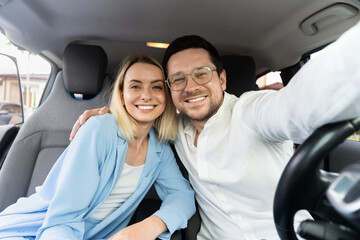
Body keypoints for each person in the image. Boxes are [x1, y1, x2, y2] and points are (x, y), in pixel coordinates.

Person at [70, 20, 360, 240]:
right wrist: (107, 115)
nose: (191, 87)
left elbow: (299, 105)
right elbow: (139, 111)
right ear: (171, 91)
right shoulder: (174, 129)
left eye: (201, 74)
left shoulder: (252, 112)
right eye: (178, 80)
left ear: (222, 79)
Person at [0, 55, 195, 240]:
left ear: (166, 95)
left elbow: (182, 196)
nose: (146, 95)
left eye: (156, 87)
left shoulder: (159, 148)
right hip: (34, 230)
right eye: (135, 86)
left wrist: (151, 225)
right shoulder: (99, 129)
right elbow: (62, 221)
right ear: (122, 94)